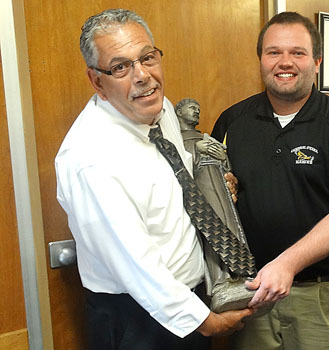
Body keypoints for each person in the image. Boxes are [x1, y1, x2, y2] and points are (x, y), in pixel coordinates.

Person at [55, 9, 252, 350]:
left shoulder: (161, 112)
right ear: (97, 81)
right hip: (137, 320)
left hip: (187, 301)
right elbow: (136, 264)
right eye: (120, 67)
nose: (142, 75)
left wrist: (217, 184)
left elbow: (179, 179)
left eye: (147, 58)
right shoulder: (91, 158)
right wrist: (204, 322)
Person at [211, 11, 329, 350]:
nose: (284, 62)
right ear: (260, 59)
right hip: (250, 292)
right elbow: (215, 194)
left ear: (317, 61)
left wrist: (286, 264)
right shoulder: (232, 121)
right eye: (274, 52)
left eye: (297, 53)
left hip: (321, 293)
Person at [174, 98, 255, 313]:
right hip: (200, 194)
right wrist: (195, 150)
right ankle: (221, 281)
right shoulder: (176, 141)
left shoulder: (204, 137)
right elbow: (177, 166)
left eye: (198, 108)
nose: (196, 112)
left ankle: (238, 276)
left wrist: (222, 157)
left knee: (230, 227)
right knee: (213, 234)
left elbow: (226, 168)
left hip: (218, 187)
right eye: (192, 108)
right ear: (179, 112)